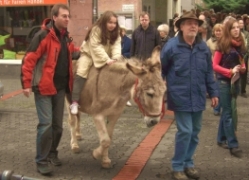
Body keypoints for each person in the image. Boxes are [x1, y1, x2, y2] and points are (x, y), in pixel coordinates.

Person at [20, 3, 80, 175]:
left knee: (58, 127)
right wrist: (26, 84)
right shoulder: (43, 36)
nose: (67, 19)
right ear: (54, 17)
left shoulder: (65, 37)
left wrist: (86, 52)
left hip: (60, 88)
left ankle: (52, 152)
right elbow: (29, 60)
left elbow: (71, 53)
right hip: (44, 87)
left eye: (68, 16)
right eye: (64, 16)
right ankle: (42, 160)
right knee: (45, 125)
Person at [160, 12, 218, 180]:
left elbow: (208, 72)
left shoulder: (203, 48)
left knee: (195, 131)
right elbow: (161, 71)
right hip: (180, 96)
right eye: (189, 23)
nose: (193, 26)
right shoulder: (171, 46)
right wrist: (159, 92)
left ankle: (188, 163)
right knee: (185, 131)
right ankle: (177, 166)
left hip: (198, 96)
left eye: (195, 23)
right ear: (181, 27)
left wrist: (213, 92)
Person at [70, 11, 121, 114]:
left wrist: (115, 58)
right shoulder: (96, 30)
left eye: (114, 23)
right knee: (81, 72)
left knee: (120, 69)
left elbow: (116, 46)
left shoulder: (116, 32)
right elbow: (96, 47)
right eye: (110, 22)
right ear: (104, 21)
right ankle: (74, 102)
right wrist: (107, 60)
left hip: (107, 56)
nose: (112, 25)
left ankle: (120, 95)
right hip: (88, 55)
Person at [213, 18, 246, 158]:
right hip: (224, 83)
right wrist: (229, 71)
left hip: (235, 82)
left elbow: (242, 61)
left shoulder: (240, 45)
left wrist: (243, 68)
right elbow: (214, 65)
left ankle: (221, 139)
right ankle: (233, 144)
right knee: (228, 113)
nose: (236, 30)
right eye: (233, 28)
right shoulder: (222, 44)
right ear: (228, 30)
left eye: (238, 27)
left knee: (227, 111)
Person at [206, 23, 223, 116]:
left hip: (224, 67)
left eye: (220, 31)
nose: (218, 33)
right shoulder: (209, 42)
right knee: (216, 87)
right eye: (216, 31)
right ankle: (216, 108)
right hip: (213, 67)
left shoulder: (226, 41)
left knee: (222, 88)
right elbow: (207, 55)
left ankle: (222, 106)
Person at [238, 18, 249, 98]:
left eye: (242, 23)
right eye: (239, 23)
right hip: (237, 54)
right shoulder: (235, 33)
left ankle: (243, 90)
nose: (241, 24)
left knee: (244, 73)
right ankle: (236, 88)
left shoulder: (246, 33)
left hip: (245, 54)